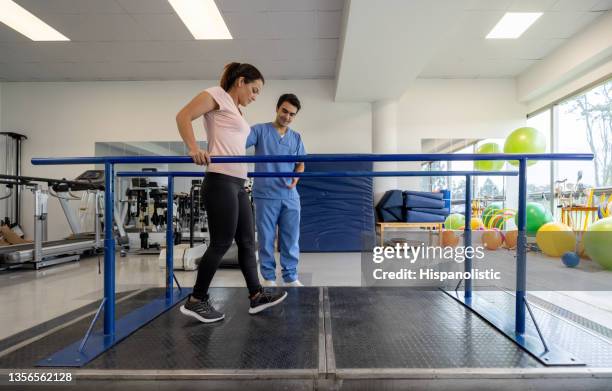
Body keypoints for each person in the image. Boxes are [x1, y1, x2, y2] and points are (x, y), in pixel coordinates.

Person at [176, 62, 287, 323]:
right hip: (220, 180)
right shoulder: (216, 95)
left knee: (248, 242)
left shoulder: (235, 109)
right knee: (221, 242)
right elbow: (183, 116)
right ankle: (196, 299)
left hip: (237, 183)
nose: (255, 96)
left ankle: (256, 295)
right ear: (240, 82)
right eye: (254, 89)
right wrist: (193, 149)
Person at [246, 94, 306, 287]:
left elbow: (301, 165)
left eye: (292, 114)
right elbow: (237, 144)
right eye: (284, 111)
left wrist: (296, 178)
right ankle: (269, 277)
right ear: (277, 109)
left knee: (291, 238)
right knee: (266, 238)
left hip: (290, 195)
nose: (287, 116)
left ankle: (290, 276)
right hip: (265, 194)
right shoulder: (259, 131)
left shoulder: (296, 137)